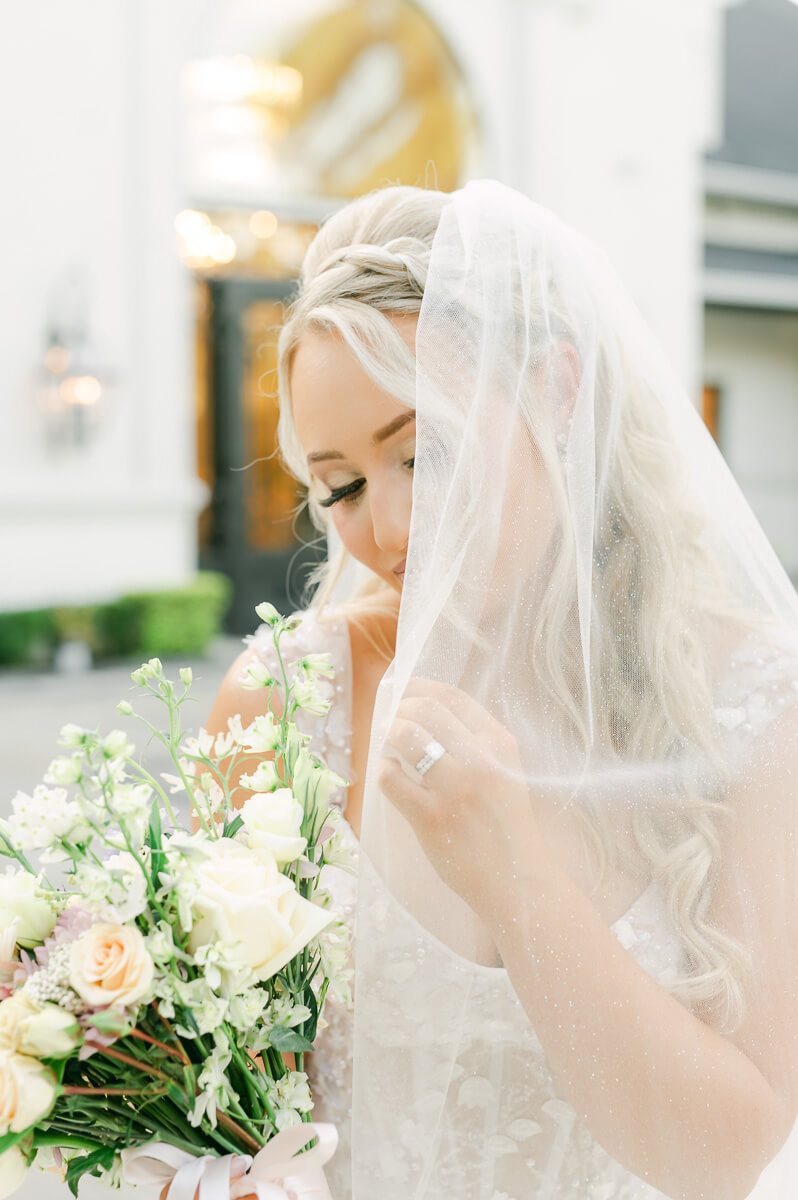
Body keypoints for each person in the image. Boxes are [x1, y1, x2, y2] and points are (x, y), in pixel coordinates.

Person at [207, 180, 798, 1200]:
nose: (386, 530)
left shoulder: (752, 700)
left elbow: (723, 1162)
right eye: (339, 485)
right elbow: (225, 1115)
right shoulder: (287, 702)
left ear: (558, 390)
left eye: (423, 452)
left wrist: (512, 870)